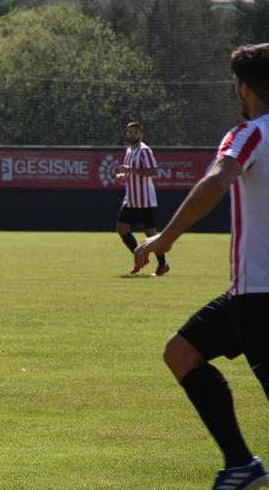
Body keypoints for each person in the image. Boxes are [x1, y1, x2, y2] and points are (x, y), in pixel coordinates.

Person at [134, 44, 269, 490]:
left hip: (260, 294)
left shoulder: (249, 133)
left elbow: (217, 179)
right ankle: (240, 464)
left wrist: (165, 237)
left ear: (245, 88)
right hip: (245, 294)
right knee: (182, 352)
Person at [114, 121, 168, 276]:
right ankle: (141, 257)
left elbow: (153, 172)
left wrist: (132, 170)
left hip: (145, 200)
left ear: (141, 134)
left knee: (151, 235)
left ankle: (163, 264)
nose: (133, 134)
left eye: (136, 132)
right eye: (130, 132)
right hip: (131, 199)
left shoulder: (144, 151)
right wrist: (123, 176)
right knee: (122, 228)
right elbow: (131, 173)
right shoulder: (129, 151)